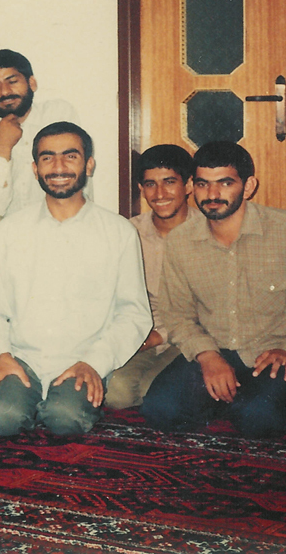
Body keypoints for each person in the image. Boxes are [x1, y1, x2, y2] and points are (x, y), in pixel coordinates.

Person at [140, 141, 286, 438]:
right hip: (217, 349)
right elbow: (177, 313)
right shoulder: (180, 242)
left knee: (258, 420)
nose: (212, 195)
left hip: (278, 351)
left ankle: (248, 400)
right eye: (203, 184)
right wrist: (207, 355)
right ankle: (231, 397)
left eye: (225, 183)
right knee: (159, 409)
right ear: (193, 186)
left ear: (248, 186)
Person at [0, 122, 153, 436]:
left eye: (70, 156)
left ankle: (61, 403)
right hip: (21, 358)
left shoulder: (118, 232)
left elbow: (133, 314)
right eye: (47, 158)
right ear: (35, 168)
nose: (58, 167)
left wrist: (94, 363)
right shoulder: (13, 228)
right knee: (2, 418)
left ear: (89, 165)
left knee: (64, 419)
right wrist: (0, 356)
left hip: (81, 360)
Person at [105, 144, 201, 409]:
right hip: (142, 333)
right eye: (150, 184)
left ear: (188, 185)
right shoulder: (129, 233)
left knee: (154, 392)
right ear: (141, 188)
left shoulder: (207, 232)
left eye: (169, 182)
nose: (160, 194)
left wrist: (158, 337)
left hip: (192, 333)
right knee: (116, 393)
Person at [0, 49, 81, 219]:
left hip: (63, 221)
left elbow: (77, 184)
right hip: (8, 229)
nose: (5, 92)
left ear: (32, 83)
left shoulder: (57, 114)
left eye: (12, 82)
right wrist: (2, 148)